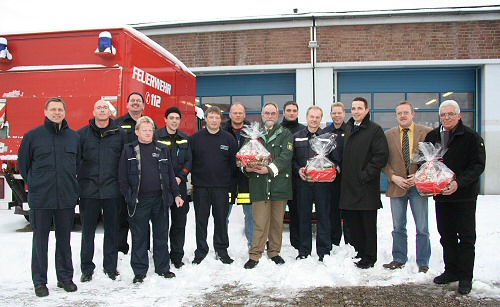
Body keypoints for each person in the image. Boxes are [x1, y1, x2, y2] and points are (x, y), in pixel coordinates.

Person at [18, 97, 80, 297]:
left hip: (66, 198)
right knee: (40, 242)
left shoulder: (73, 137)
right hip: (41, 198)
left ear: (64, 112)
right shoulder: (32, 137)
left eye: (60, 109)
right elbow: (24, 165)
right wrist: (36, 184)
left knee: (64, 241)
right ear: (45, 112)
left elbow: (77, 164)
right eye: (53, 109)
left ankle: (65, 278)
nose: (57, 112)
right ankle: (40, 282)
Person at [425, 100, 485, 295]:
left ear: (459, 115)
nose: (447, 117)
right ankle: (451, 271)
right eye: (443, 114)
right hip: (441, 197)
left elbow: (477, 165)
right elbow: (425, 162)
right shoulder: (433, 136)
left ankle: (465, 277)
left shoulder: (471, 137)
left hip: (464, 197)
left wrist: (458, 183)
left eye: (451, 114)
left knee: (466, 237)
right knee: (446, 235)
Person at [118, 116, 183, 284]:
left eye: (150, 130)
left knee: (161, 235)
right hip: (139, 201)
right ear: (137, 131)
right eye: (144, 130)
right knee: (139, 236)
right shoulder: (129, 150)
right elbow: (122, 178)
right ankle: (139, 271)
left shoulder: (162, 149)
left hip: (160, 200)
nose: (148, 133)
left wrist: (176, 195)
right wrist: (129, 197)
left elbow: (169, 175)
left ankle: (163, 268)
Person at [78, 99, 127, 282]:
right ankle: (86, 269)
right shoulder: (82, 135)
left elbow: (124, 162)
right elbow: (76, 161)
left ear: (109, 111)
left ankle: (110, 267)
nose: (102, 110)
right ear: (93, 111)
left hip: (112, 191)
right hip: (88, 191)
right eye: (98, 107)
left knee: (112, 231)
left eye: (105, 107)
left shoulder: (120, 134)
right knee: (87, 232)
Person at [382, 101, 432, 273]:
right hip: (397, 186)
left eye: (405, 112)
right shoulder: (388, 135)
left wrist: (419, 176)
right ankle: (399, 258)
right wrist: (393, 177)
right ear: (396, 116)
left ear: (413, 114)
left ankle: (423, 262)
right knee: (398, 226)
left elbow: (433, 159)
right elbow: (383, 161)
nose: (402, 116)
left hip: (418, 187)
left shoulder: (426, 133)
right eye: (399, 113)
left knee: (422, 227)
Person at [339, 97, 389, 269]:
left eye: (360, 108)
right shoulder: (349, 127)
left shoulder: (375, 130)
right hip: (349, 187)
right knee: (354, 224)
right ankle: (359, 252)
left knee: (367, 224)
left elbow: (381, 155)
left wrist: (365, 175)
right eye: (353, 108)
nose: (356, 111)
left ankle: (370, 256)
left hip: (365, 186)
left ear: (367, 110)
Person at [244, 102, 293, 269]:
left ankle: (274, 252)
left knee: (277, 222)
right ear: (262, 115)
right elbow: (244, 156)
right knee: (259, 221)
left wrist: (269, 169)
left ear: (277, 115)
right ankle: (255, 254)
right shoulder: (254, 135)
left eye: (273, 113)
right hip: (259, 186)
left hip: (279, 185)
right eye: (267, 113)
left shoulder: (285, 134)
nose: (270, 116)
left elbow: (286, 157)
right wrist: (246, 167)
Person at [190, 106, 237, 265]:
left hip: (221, 188)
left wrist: (231, 187)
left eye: (217, 118)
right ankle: (201, 251)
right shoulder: (195, 138)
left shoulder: (228, 139)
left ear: (221, 119)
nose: (214, 120)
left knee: (221, 220)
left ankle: (222, 250)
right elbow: (190, 161)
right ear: (206, 119)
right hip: (201, 187)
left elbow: (233, 165)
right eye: (211, 117)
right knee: (201, 221)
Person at [292, 106, 340, 261]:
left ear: (321, 119)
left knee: (324, 217)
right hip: (303, 183)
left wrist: (333, 172)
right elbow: (291, 160)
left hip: (323, 185)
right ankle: (304, 250)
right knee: (303, 217)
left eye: (317, 117)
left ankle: (324, 250)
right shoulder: (297, 136)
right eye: (311, 116)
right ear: (306, 117)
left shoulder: (328, 137)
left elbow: (336, 161)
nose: (314, 119)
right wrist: (298, 170)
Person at [116, 92, 156, 254]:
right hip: (125, 175)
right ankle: (121, 250)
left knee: (143, 219)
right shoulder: (118, 124)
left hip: (144, 180)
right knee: (122, 216)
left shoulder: (150, 124)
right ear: (127, 104)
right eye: (132, 100)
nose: (135, 103)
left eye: (138, 101)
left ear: (143, 105)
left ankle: (143, 250)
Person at [154, 106, 192, 269]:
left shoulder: (185, 138)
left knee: (179, 223)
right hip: (160, 187)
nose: (174, 121)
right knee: (161, 224)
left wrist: (180, 177)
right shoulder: (156, 136)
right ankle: (160, 255)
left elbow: (189, 161)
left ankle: (177, 256)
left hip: (179, 185)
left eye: (177, 118)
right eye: (171, 118)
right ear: (165, 119)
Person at [224, 103, 254, 249]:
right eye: (234, 113)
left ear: (244, 115)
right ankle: (221, 247)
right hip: (226, 180)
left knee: (250, 216)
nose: (237, 115)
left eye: (240, 113)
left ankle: (252, 246)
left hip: (247, 180)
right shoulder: (222, 132)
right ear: (229, 115)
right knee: (223, 216)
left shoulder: (252, 133)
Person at [323, 102, 351, 246]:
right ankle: (334, 242)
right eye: (334, 113)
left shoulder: (351, 130)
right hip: (331, 178)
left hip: (348, 179)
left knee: (348, 212)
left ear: (344, 114)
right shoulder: (325, 132)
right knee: (332, 211)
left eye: (339, 113)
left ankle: (349, 243)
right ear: (331, 114)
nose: (337, 115)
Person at [280, 101, 305, 251]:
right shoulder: (278, 130)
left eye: (294, 110)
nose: (291, 113)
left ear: (297, 113)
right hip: (279, 179)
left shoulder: (303, 130)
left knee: (297, 213)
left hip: (297, 180)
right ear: (284, 112)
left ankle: (298, 243)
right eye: (288, 110)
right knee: (277, 215)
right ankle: (274, 245)